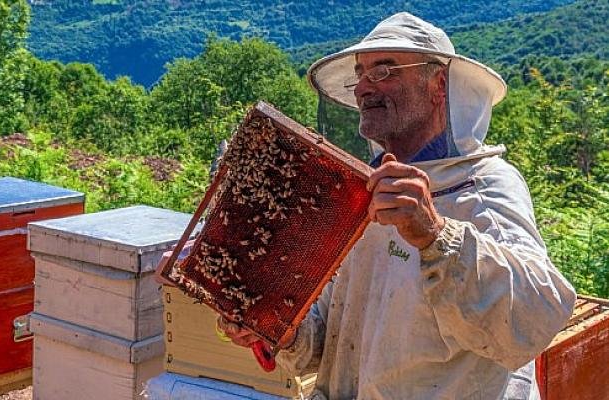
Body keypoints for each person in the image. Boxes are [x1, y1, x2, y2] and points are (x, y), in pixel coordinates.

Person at [218, 12, 576, 400]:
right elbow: (329, 338)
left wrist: (436, 235)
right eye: (361, 74)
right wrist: (281, 329)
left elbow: (539, 314)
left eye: (384, 71)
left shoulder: (482, 188)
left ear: (439, 85)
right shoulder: (362, 191)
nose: (363, 89)